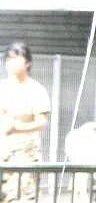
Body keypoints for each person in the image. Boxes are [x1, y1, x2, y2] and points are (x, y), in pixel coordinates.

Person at [0, 42, 50, 203]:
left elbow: (42, 122)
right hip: (2, 153)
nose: (10, 63)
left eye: (16, 59)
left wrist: (17, 128)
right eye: (8, 59)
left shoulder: (36, 90)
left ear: (28, 62)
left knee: (23, 199)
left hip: (25, 156)